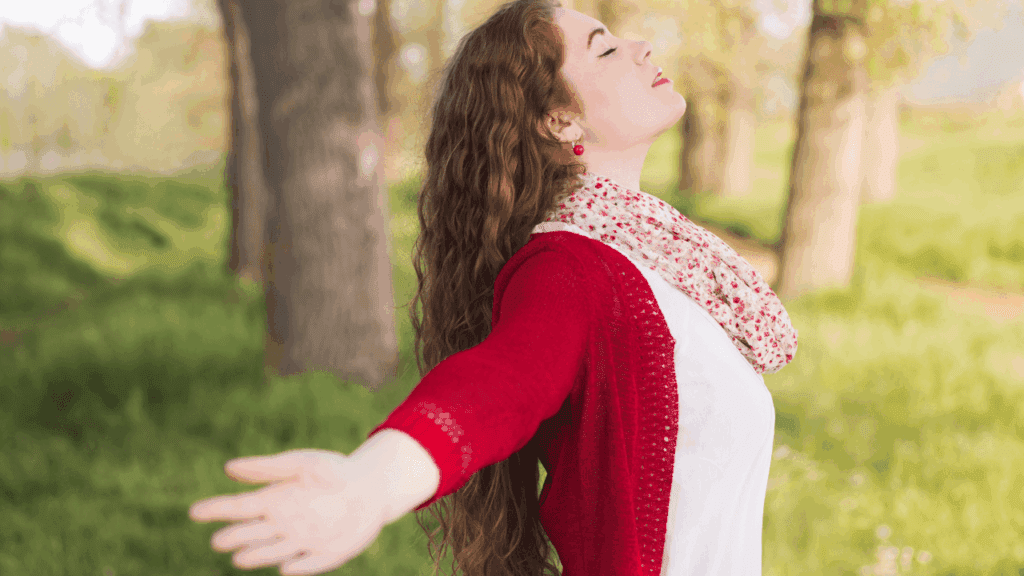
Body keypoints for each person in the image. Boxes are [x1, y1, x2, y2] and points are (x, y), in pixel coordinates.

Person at [188, 0, 798, 575]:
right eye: (606, 50)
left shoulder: (662, 257)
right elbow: (502, 382)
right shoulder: (570, 267)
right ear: (559, 119)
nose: (640, 46)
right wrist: (369, 484)